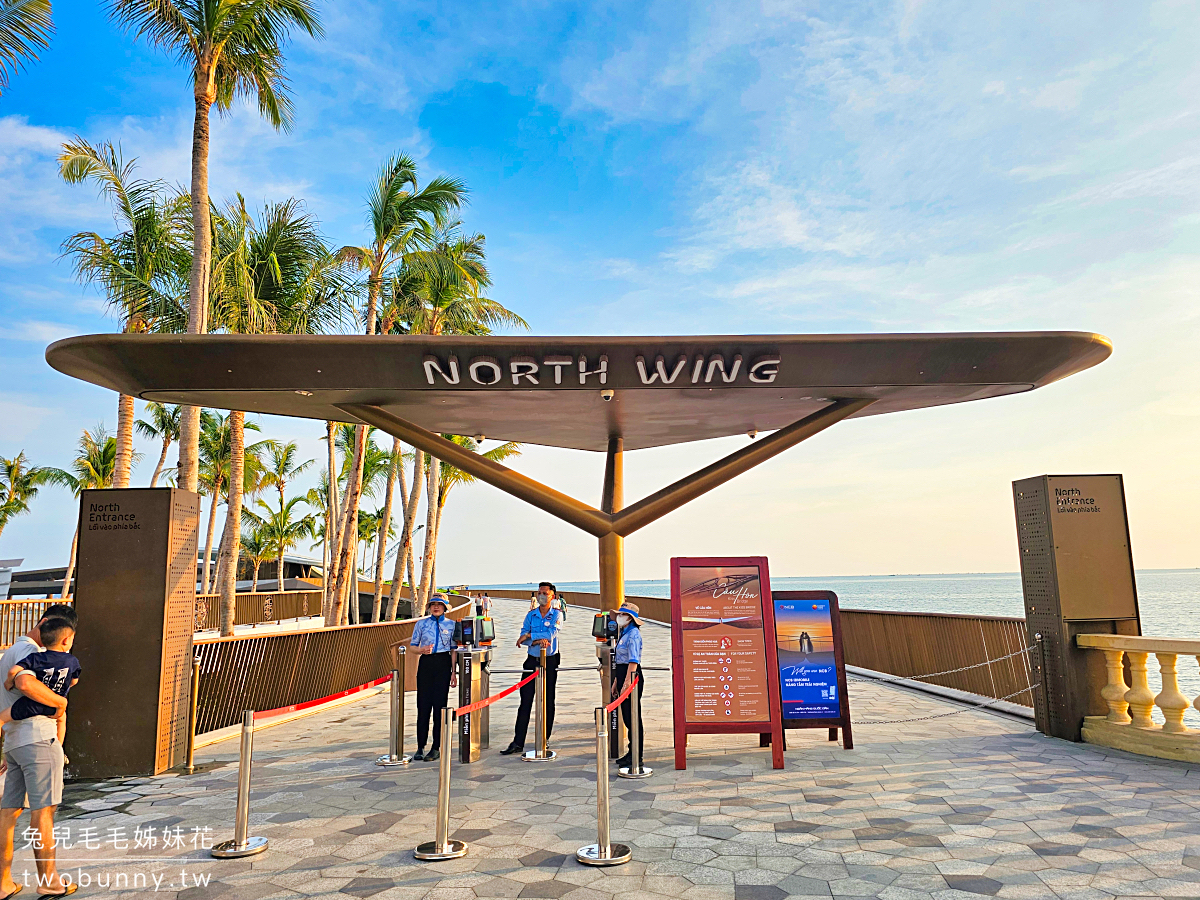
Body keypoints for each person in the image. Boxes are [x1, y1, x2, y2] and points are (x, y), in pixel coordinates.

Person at [0, 603, 79, 900]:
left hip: (16, 741)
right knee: (43, 812)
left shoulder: (13, 649)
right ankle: (49, 881)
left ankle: (3, 882)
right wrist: (61, 704)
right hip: (37, 738)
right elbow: (23, 681)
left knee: (9, 813)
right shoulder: (30, 653)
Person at [500, 582, 562, 755]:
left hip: (549, 660)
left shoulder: (557, 615)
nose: (541, 596)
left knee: (548, 700)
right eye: (539, 593)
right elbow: (522, 638)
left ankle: (545, 739)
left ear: (553, 596)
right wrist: (531, 638)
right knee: (525, 701)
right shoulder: (531, 615)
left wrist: (529, 636)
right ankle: (518, 741)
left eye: (545, 593)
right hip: (531, 660)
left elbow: (551, 635)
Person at [0, 619, 81, 746]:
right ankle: (58, 748)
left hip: (31, 703)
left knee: (1, 718)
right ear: (66, 640)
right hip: (55, 704)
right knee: (62, 720)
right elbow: (74, 681)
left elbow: (13, 671)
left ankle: (6, 745)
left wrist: (9, 682)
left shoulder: (35, 657)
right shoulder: (73, 661)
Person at [409, 594, 457, 762]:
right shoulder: (421, 623)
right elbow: (412, 647)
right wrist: (421, 650)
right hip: (426, 663)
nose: (436, 607)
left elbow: (453, 650)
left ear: (445, 607)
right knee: (423, 706)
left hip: (443, 663)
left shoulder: (451, 625)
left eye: (440, 604)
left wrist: (453, 672)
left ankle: (436, 746)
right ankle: (420, 746)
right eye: (433, 604)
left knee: (439, 707)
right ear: (429, 607)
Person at [612, 602, 644, 769]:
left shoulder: (633, 635)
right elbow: (620, 661)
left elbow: (633, 662)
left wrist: (626, 684)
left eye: (622, 615)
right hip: (623, 676)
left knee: (633, 717)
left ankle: (637, 755)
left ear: (630, 618)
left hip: (631, 677)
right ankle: (631, 752)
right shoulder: (624, 633)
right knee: (627, 717)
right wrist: (617, 682)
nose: (619, 617)